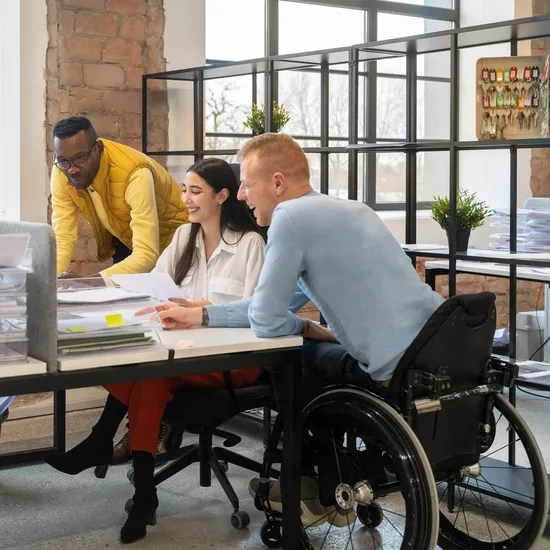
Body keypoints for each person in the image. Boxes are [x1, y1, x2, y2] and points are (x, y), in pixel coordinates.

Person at [147, 133, 445, 524]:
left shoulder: (289, 217)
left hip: (387, 371)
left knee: (286, 359)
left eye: (248, 185)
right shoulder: (355, 209)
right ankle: (317, 475)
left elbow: (268, 322)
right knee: (304, 355)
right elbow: (266, 307)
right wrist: (201, 316)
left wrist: (304, 329)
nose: (241, 196)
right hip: (433, 351)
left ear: (276, 183)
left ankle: (306, 483)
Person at [44, 158, 266, 544]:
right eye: (184, 190)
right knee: (145, 370)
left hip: (235, 359)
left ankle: (103, 441)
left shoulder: (250, 245)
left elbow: (257, 312)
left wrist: (197, 308)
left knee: (150, 372)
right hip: (182, 350)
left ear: (222, 195)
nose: (186, 199)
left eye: (195, 191)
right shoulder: (183, 238)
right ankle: (144, 493)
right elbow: (154, 288)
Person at [50, 116, 189, 279]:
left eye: (81, 159)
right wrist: (50, 281)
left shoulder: (135, 174)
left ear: (99, 149)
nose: (72, 169)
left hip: (177, 244)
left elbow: (147, 254)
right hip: (127, 237)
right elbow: (62, 237)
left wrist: (88, 283)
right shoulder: (61, 171)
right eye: (63, 161)